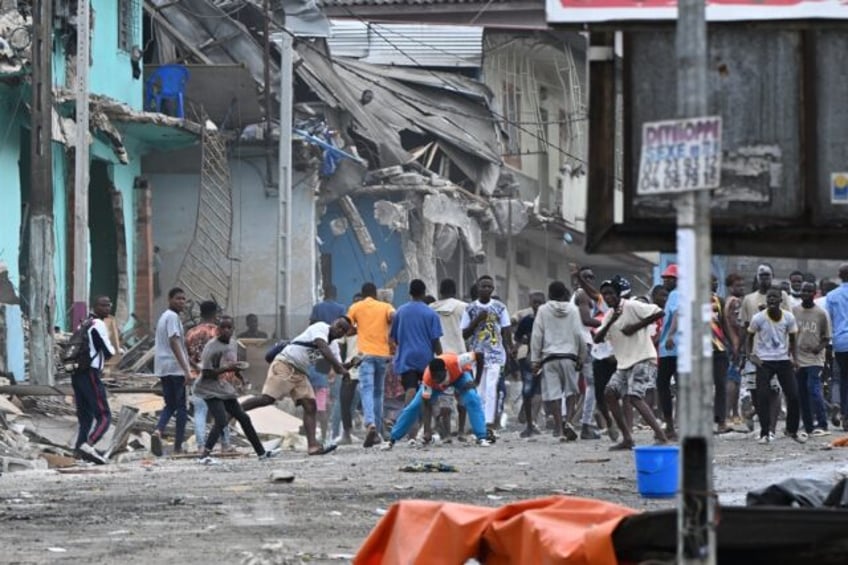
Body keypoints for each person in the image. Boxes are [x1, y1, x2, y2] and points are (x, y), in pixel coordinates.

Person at [241, 317, 351, 455]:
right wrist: (341, 369)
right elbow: (322, 346)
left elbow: (338, 366)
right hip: (285, 364)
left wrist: (350, 365)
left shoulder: (333, 346)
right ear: (333, 322)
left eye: (343, 330)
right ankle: (236, 411)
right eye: (339, 326)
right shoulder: (320, 327)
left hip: (300, 372)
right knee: (267, 399)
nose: (339, 330)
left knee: (310, 406)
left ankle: (313, 446)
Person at [594, 278, 667, 451]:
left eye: (611, 293)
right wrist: (611, 321)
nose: (608, 297)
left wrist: (636, 326)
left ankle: (661, 436)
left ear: (618, 293)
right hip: (624, 363)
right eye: (604, 294)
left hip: (643, 357)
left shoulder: (632, 306)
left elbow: (659, 312)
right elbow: (597, 338)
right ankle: (627, 437)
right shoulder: (609, 315)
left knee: (634, 397)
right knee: (609, 394)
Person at [194, 316, 277, 464]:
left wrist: (241, 376)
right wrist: (227, 369)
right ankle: (204, 455)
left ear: (233, 329)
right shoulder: (211, 347)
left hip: (224, 387)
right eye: (223, 328)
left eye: (229, 327)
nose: (226, 330)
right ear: (218, 330)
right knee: (221, 420)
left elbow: (232, 364)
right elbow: (206, 373)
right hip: (208, 387)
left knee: (243, 417)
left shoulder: (233, 344)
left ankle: (261, 453)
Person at [381, 353, 492, 449]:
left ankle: (482, 436)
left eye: (439, 377)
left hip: (459, 377)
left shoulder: (457, 361)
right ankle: (392, 439)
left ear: (445, 370)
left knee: (472, 397)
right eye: (435, 377)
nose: (437, 380)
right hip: (436, 387)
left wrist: (476, 381)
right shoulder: (428, 379)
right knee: (414, 406)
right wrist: (427, 430)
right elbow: (426, 404)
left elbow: (479, 355)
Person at [747, 286, 804, 444]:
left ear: (781, 300)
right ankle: (766, 433)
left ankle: (791, 430)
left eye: (775, 297)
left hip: (783, 360)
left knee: (793, 395)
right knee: (763, 395)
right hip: (764, 362)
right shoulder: (758, 318)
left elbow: (792, 340)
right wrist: (750, 355)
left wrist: (795, 358)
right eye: (769, 297)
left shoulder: (788, 317)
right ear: (767, 300)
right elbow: (749, 336)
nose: (771, 300)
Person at [530, 281, 586, 441]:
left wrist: (535, 359)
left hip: (549, 358)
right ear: (564, 294)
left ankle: (559, 429)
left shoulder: (543, 310)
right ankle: (568, 421)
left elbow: (537, 335)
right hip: (569, 356)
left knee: (554, 394)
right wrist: (582, 356)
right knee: (571, 391)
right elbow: (579, 334)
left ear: (549, 294)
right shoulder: (574, 310)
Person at [390, 279, 443, 443]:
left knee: (410, 391)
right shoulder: (431, 313)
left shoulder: (400, 311)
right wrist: (440, 358)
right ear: (424, 292)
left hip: (407, 357)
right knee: (427, 393)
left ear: (410, 293)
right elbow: (436, 340)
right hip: (426, 358)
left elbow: (394, 338)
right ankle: (427, 431)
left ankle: (410, 432)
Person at [461, 275, 513, 432]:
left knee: (491, 388)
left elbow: (506, 330)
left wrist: (509, 351)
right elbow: (464, 334)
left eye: (489, 287)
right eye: (483, 286)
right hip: (477, 355)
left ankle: (489, 422)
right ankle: (480, 422)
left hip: (496, 354)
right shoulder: (469, 308)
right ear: (477, 288)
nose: (486, 289)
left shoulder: (500, 307)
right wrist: (477, 320)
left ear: (492, 289)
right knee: (479, 390)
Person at [347, 282, 396, 447]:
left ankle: (370, 424)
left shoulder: (356, 307)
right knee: (378, 393)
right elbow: (394, 316)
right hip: (383, 355)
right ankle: (379, 431)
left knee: (366, 390)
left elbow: (347, 327)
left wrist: (358, 329)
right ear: (375, 294)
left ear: (362, 294)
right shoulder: (385, 306)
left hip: (366, 355)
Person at [71, 296, 116, 464]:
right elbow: (108, 351)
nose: (107, 308)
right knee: (104, 415)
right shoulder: (98, 325)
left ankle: (77, 452)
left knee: (86, 417)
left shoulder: (83, 324)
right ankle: (88, 446)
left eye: (108, 305)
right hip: (90, 372)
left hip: (77, 374)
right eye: (103, 305)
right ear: (95, 306)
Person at [185, 300, 231, 452]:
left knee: (200, 411)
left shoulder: (191, 333)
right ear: (215, 313)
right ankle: (225, 444)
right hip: (216, 377)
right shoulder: (218, 332)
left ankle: (200, 445)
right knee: (222, 412)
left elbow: (187, 356)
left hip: (197, 376)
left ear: (201, 313)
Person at [152, 288, 193, 456]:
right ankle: (177, 447)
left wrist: (191, 365)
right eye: (178, 299)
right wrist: (186, 369)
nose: (181, 302)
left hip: (163, 367)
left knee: (170, 405)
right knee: (182, 407)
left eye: (183, 299)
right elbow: (174, 342)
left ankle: (158, 430)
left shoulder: (163, 317)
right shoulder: (173, 317)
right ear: (170, 299)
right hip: (175, 369)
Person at [430, 279, 469, 441]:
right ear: (455, 291)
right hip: (460, 356)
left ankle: (445, 434)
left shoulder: (431, 309)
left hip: (440, 357)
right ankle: (460, 432)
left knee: (444, 397)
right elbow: (468, 332)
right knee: (462, 394)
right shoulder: (463, 307)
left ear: (440, 292)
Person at [572, 266, 607, 440]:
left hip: (573, 344)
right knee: (592, 385)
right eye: (586, 277)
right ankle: (585, 424)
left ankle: (569, 424)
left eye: (592, 277)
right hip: (584, 344)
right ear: (578, 279)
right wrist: (609, 324)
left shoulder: (577, 296)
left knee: (572, 386)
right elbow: (586, 320)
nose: (590, 280)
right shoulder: (582, 295)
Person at [794, 282, 832, 437]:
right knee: (801, 391)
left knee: (813, 389)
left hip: (815, 358)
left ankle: (822, 423)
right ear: (801, 293)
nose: (806, 293)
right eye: (804, 290)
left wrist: (819, 348)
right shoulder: (794, 311)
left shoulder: (821, 313)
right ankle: (808, 425)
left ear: (814, 293)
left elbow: (826, 337)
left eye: (809, 291)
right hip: (798, 358)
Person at [514, 292, 545, 438]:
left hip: (546, 359)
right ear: (530, 303)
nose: (537, 305)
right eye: (535, 302)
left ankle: (533, 421)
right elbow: (518, 338)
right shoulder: (527, 320)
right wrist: (519, 347)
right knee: (528, 391)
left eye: (540, 302)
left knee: (539, 391)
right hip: (529, 359)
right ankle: (529, 423)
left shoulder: (548, 320)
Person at [656, 264, 680, 440]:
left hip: (672, 349)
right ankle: (675, 425)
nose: (666, 281)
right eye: (665, 278)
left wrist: (670, 335)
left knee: (663, 385)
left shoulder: (675, 294)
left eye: (670, 278)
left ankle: (670, 425)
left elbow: (678, 314)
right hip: (676, 348)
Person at [826, 263, 848, 431]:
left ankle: (846, 416)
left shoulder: (832, 296)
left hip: (841, 343)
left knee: (843, 379)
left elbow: (829, 321)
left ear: (840, 276)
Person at [724, 273, 747, 424]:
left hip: (730, 343)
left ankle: (732, 413)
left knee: (734, 378)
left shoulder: (727, 301)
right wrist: (738, 345)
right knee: (733, 379)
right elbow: (736, 324)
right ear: (730, 287)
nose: (741, 288)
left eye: (742, 285)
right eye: (738, 286)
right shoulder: (735, 302)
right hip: (735, 343)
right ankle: (731, 413)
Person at [711, 275, 731, 434]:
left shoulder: (719, 301)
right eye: (712, 282)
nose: (715, 284)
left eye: (716, 281)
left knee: (721, 386)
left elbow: (725, 324)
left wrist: (732, 343)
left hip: (719, 349)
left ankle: (721, 422)